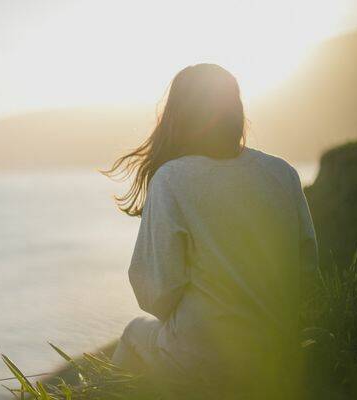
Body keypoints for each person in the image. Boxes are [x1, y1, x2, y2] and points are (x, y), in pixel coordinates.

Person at [102, 64, 318, 399]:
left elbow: (156, 294)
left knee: (133, 334)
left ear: (177, 115)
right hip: (277, 353)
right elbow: (306, 271)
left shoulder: (172, 179)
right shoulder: (283, 173)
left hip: (204, 360)